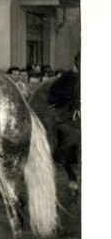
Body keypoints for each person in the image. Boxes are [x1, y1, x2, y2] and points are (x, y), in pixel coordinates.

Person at [47, 52, 81, 189]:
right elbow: (53, 100)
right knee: (66, 141)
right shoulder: (66, 78)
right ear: (77, 61)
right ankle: (71, 175)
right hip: (67, 117)